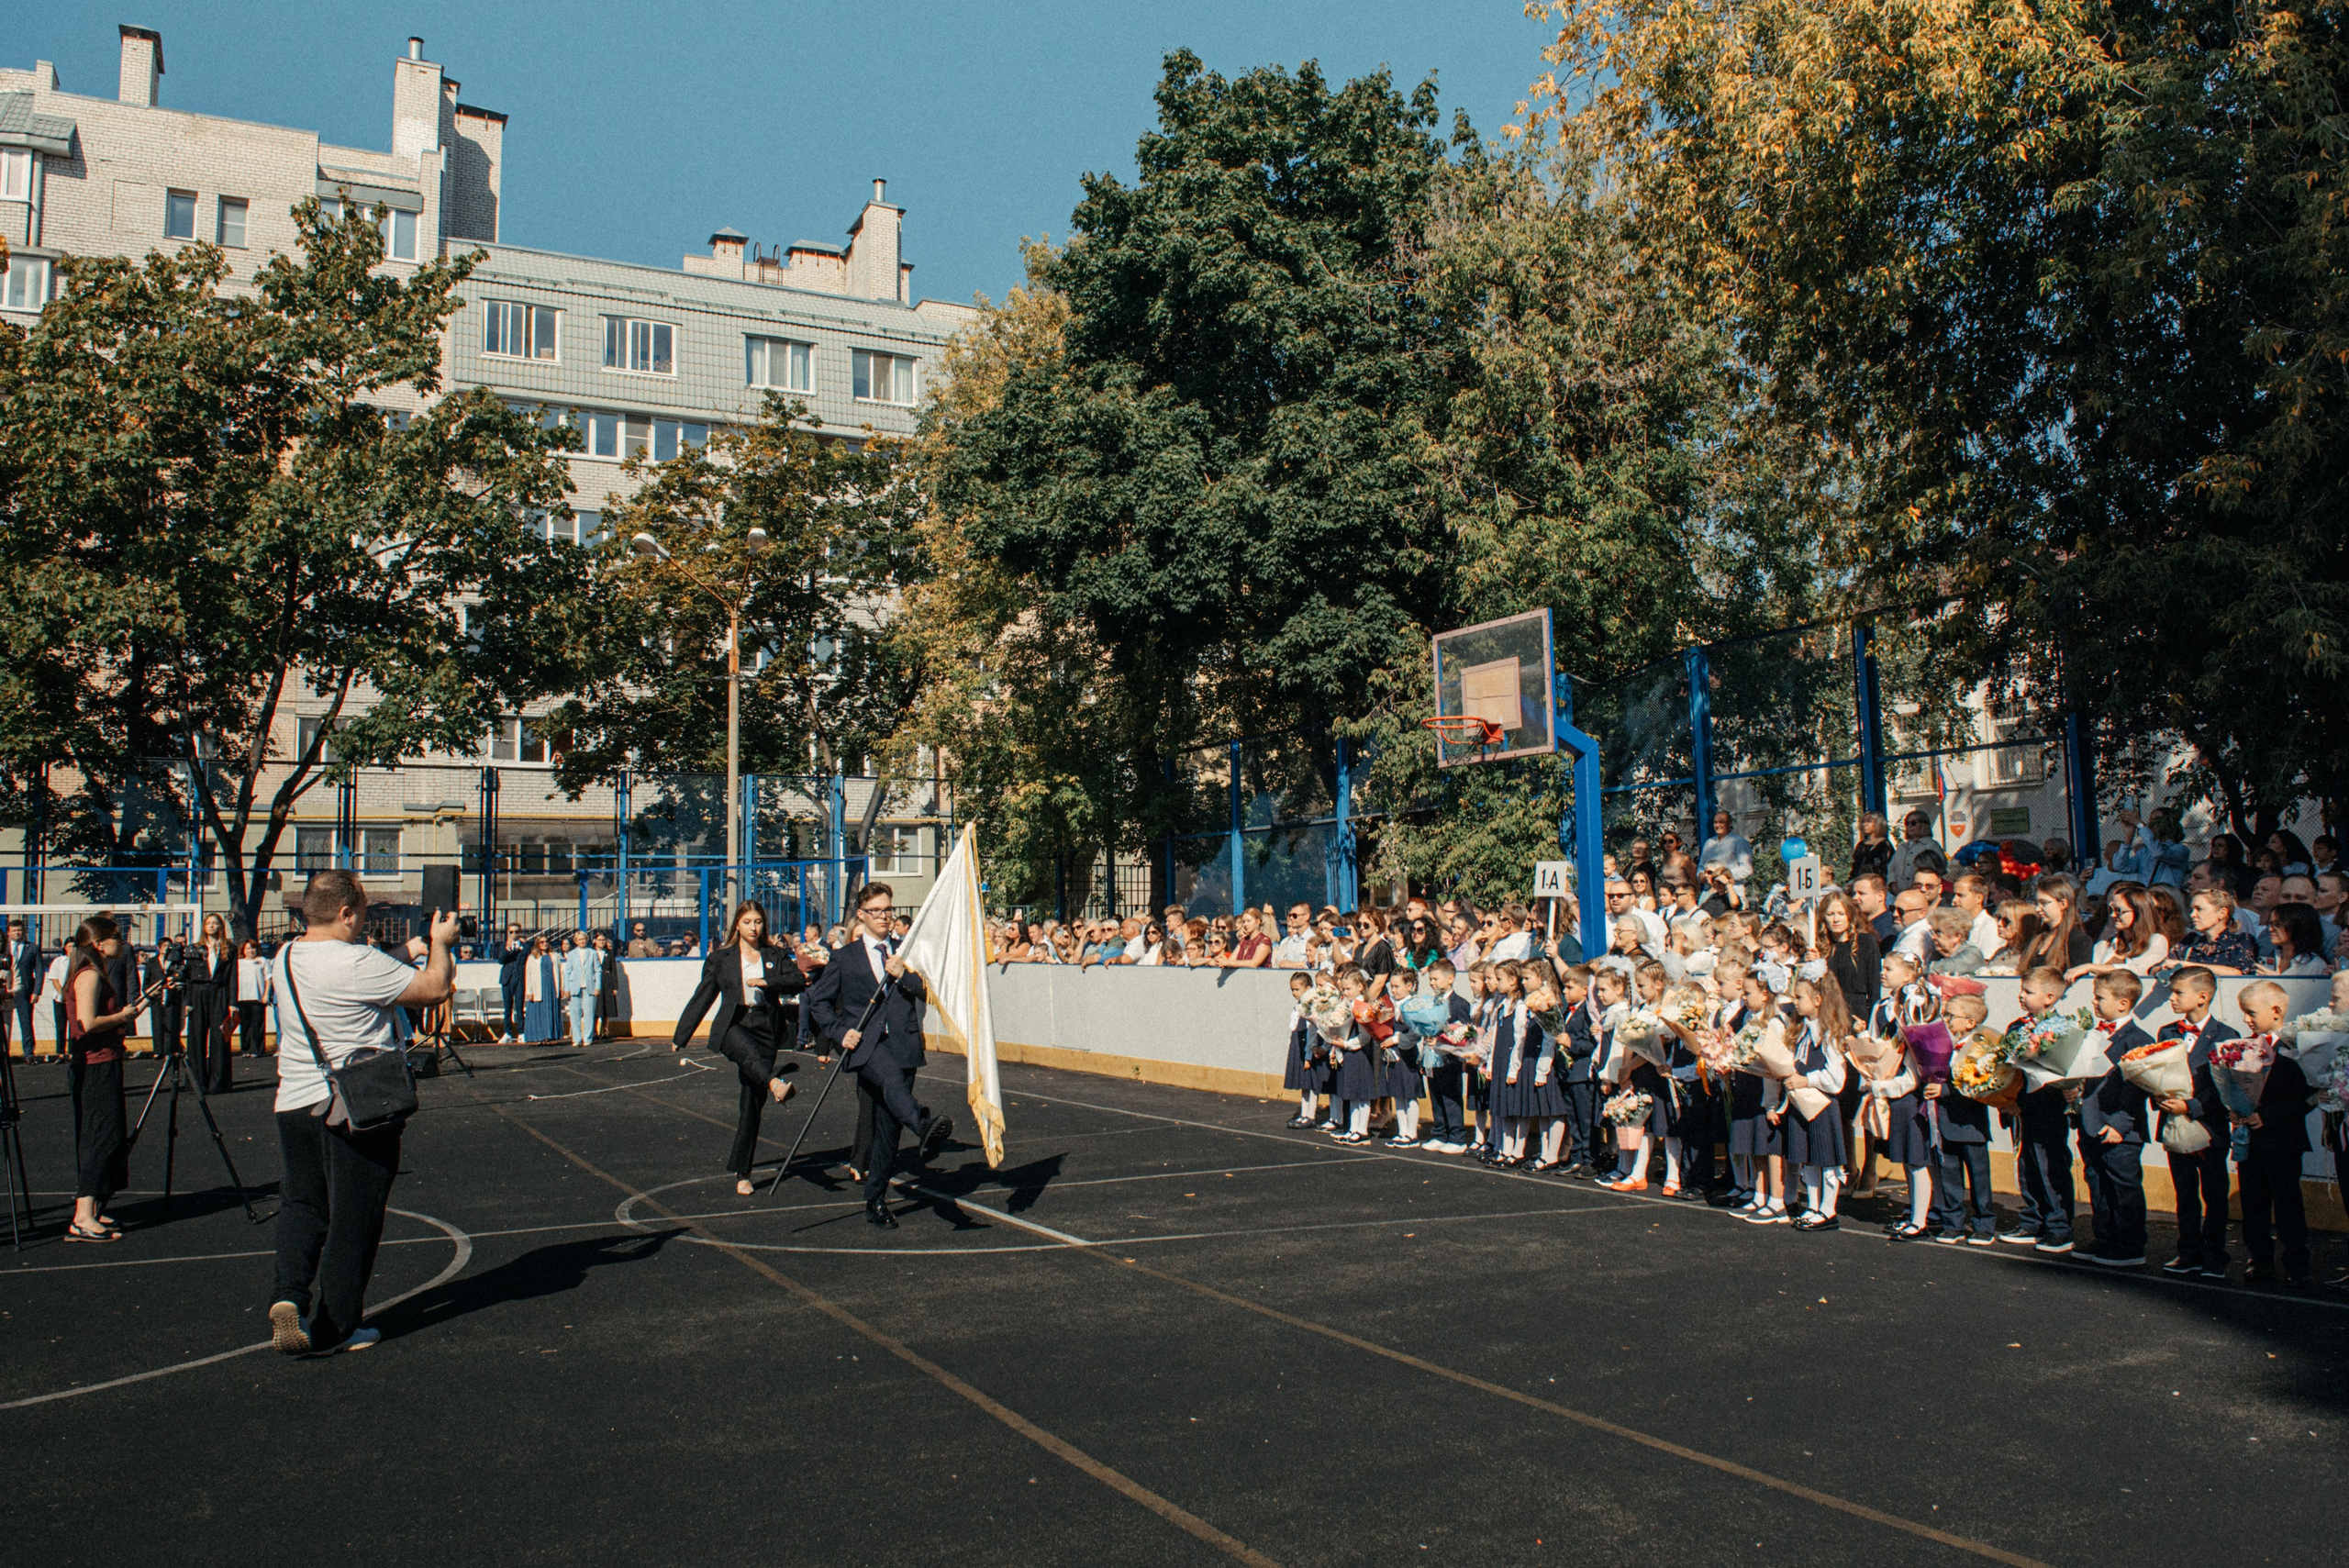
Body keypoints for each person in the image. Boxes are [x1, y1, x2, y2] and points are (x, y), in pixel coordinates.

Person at [267, 871, 456, 1354]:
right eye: (363, 914)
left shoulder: (286, 956)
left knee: (303, 1204)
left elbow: (366, 975)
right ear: (347, 913)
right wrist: (440, 945)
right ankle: (338, 1326)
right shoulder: (355, 962)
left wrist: (411, 948)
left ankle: (288, 1295)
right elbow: (434, 989)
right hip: (353, 1106)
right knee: (356, 1215)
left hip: (295, 1099)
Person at [803, 883, 950, 1227]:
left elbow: (928, 993)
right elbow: (818, 1003)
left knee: (887, 1128)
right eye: (876, 911)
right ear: (861, 915)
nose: (884, 917)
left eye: (888, 910)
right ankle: (924, 1123)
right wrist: (840, 1032)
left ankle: (876, 1200)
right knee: (891, 1082)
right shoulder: (844, 957)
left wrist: (904, 976)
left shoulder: (906, 951)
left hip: (904, 1043)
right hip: (867, 1046)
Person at [673, 901, 805, 1195]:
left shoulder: (774, 954)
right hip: (734, 1024)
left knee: (750, 1104)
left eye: (758, 921)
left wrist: (767, 981)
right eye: (747, 922)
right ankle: (775, 1082)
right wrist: (681, 1035)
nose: (753, 928)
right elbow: (703, 995)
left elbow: (798, 980)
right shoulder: (721, 958)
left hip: (765, 1028)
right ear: (737, 925)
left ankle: (742, 1171)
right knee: (745, 1053)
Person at [63, 916, 145, 1242]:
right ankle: (82, 1215)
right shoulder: (90, 976)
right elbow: (88, 1022)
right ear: (99, 943)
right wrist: (123, 1016)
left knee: (106, 1134)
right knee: (100, 1136)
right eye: (115, 938)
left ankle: (92, 1206)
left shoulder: (95, 973)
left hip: (103, 1061)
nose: (120, 943)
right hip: (96, 1065)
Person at [2153, 966, 2234, 1279]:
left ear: (2202, 997)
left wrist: (2192, 1105)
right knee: (2184, 1194)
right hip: (2174, 1122)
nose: (2171, 999)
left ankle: (2215, 1255)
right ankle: (2188, 1252)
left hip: (2209, 1127)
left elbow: (2225, 1086)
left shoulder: (2227, 1036)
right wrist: (2161, 1098)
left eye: (2178, 993)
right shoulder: (2167, 1033)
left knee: (2214, 1194)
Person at [2232, 981, 2312, 1286]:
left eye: (2251, 1013)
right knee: (2253, 1201)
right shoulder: (2245, 1047)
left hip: (2283, 1140)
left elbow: (2307, 1096)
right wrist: (2235, 1109)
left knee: (2288, 1200)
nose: (2246, 1020)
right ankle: (2259, 1257)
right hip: (2250, 1141)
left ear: (2275, 1011)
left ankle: (2296, 1257)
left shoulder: (2297, 1047)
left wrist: (2267, 1116)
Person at [2073, 970, 2153, 1268]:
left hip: (2120, 1129)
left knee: (2124, 1187)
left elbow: (2136, 1089)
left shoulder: (2137, 1039)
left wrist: (2120, 1125)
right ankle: (2105, 1237)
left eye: (2099, 997)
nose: (2093, 1002)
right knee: (2097, 1182)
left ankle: (2130, 1244)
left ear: (2122, 1004)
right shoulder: (2093, 1033)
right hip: (2091, 1123)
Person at [1998, 967, 2077, 1255]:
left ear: (2050, 997)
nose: (2021, 996)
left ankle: (2059, 1226)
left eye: (2028, 992)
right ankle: (2033, 1219)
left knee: (2050, 1167)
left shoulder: (2064, 1028)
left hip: (2049, 1108)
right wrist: (2004, 1098)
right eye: (2021, 990)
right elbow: (2004, 1065)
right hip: (2021, 1107)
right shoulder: (2015, 1027)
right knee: (2026, 1165)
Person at [183, 911, 237, 1093]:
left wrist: (232, 1002)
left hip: (219, 993)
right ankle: (196, 1082)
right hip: (198, 993)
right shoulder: (194, 948)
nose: (212, 926)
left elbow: (232, 977)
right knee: (196, 1038)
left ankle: (219, 1083)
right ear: (204, 927)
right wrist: (187, 1001)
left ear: (221, 926)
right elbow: (188, 978)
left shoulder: (229, 948)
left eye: (216, 923)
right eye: (209, 923)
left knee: (220, 1037)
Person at [2, 917, 35, 1062]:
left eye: (20, 930)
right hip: (6, 995)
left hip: (21, 992)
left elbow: (39, 970)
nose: (17, 933)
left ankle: (28, 1053)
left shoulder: (31, 948)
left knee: (26, 1022)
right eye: (14, 930)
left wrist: (37, 991)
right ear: (8, 932)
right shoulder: (6, 949)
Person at [561, 930, 602, 1045]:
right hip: (575, 986)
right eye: (579, 939)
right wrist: (567, 988)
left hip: (590, 986)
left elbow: (598, 971)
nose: (582, 941)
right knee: (575, 1013)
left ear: (587, 940)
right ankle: (576, 1039)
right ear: (575, 941)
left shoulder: (592, 953)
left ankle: (588, 1038)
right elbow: (567, 972)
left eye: (583, 939)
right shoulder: (572, 954)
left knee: (589, 1013)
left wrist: (597, 986)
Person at [1698, 809, 1754, 888]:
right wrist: (1700, 874)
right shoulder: (1709, 843)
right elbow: (1701, 866)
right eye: (1715, 822)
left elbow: (1747, 869)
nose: (1718, 825)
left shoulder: (1738, 842)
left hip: (1732, 890)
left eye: (1721, 822)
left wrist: (1725, 874)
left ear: (1729, 823)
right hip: (1711, 891)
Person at [235, 938, 272, 1056]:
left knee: (258, 1025)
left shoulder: (262, 961)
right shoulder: (238, 963)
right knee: (245, 1025)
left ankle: (257, 1050)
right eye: (248, 948)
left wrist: (266, 994)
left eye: (253, 948)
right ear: (243, 950)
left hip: (258, 998)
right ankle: (245, 1050)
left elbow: (268, 979)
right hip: (242, 998)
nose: (251, 951)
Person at [521, 935, 561, 1044]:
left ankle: (549, 1036)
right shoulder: (533, 957)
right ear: (537, 944)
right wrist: (529, 991)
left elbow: (559, 973)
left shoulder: (554, 955)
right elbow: (528, 974)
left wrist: (561, 988)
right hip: (538, 987)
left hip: (551, 986)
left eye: (546, 942)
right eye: (541, 942)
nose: (544, 944)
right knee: (538, 1012)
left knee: (549, 1011)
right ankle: (539, 1037)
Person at [495, 924, 529, 1042]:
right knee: (507, 1007)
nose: (514, 934)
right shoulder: (503, 945)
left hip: (519, 978)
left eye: (516, 932)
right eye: (511, 932)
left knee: (519, 1006)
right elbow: (501, 960)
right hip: (507, 978)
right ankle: (508, 1032)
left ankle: (521, 1032)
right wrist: (508, 949)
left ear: (520, 932)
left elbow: (526, 960)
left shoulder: (525, 946)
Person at [1849, 812, 1895, 883]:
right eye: (1863, 822)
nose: (1865, 824)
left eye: (1869, 822)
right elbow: (1856, 867)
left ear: (1878, 824)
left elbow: (1887, 867)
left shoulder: (1884, 845)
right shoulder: (1861, 845)